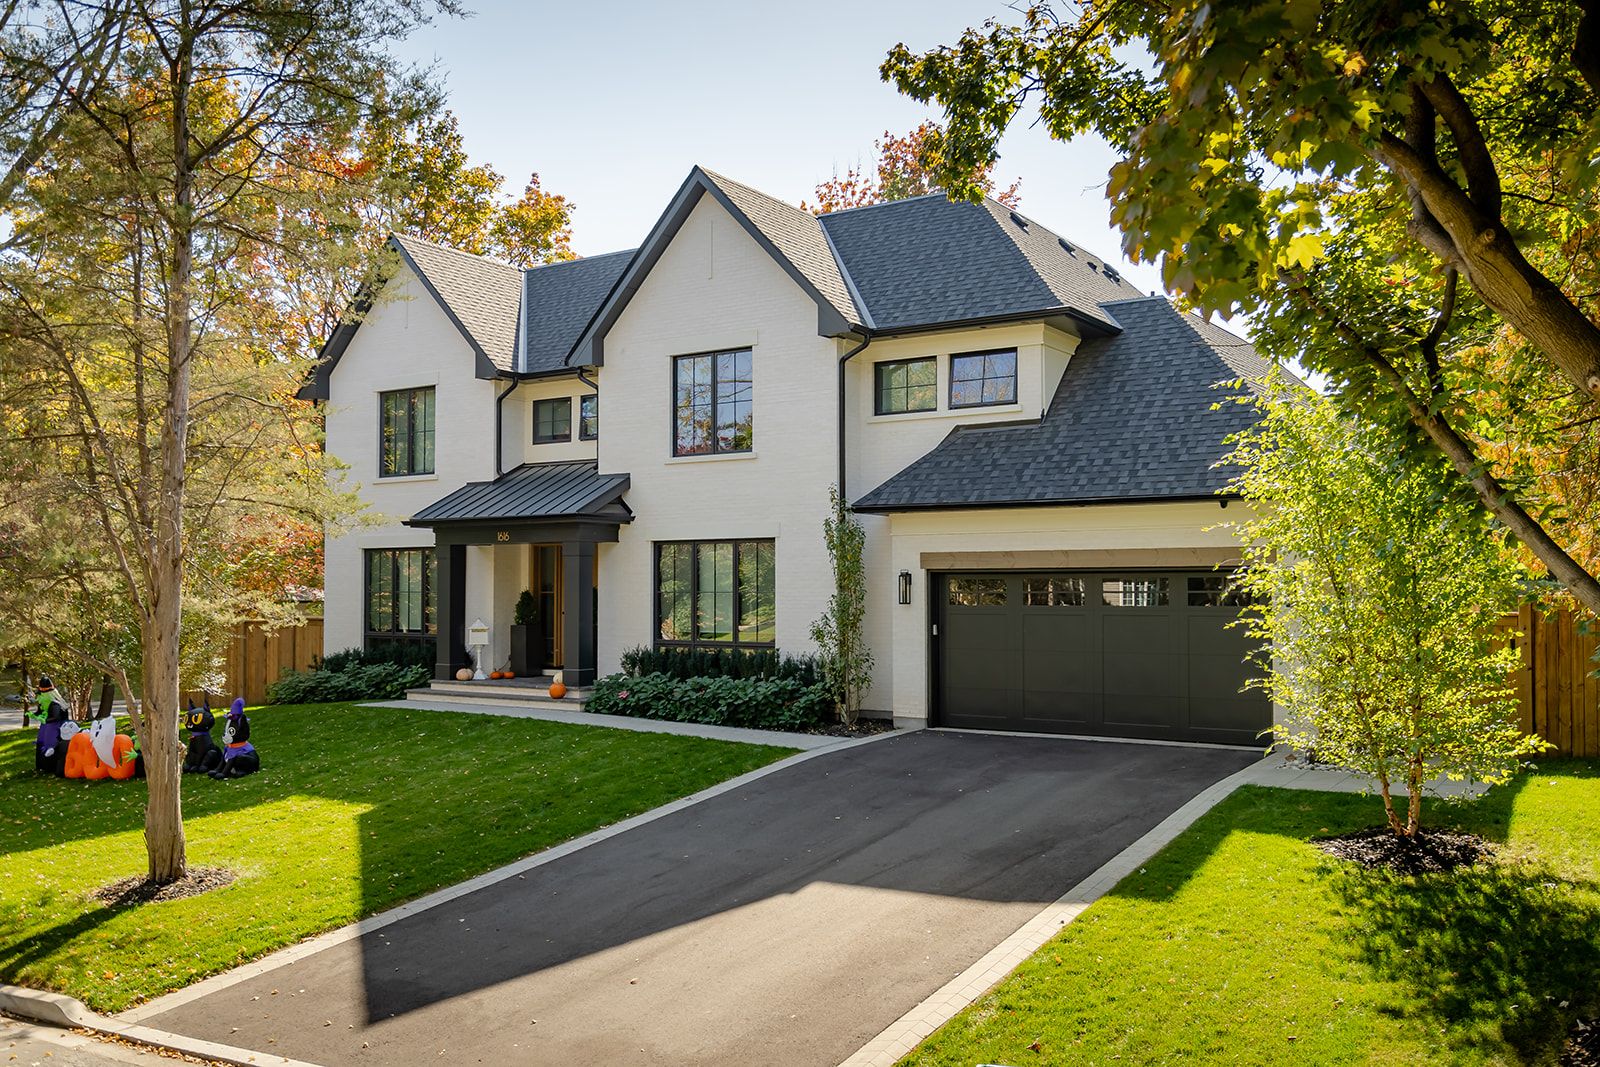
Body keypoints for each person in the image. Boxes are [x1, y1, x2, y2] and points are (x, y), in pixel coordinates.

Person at [209, 698, 260, 779]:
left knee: (237, 758)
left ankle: (227, 772)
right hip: (233, 748)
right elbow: (226, 757)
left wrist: (223, 774)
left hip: (249, 761)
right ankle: (218, 769)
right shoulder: (230, 746)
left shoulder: (241, 746)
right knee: (227, 755)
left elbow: (231, 758)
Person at [30, 676, 70, 776]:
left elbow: (56, 717)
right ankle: (42, 765)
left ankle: (51, 766)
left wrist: (45, 720)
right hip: (45, 727)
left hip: (55, 728)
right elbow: (40, 711)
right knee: (42, 743)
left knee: (51, 745)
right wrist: (35, 715)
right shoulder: (43, 701)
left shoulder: (55, 703)